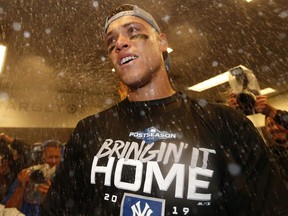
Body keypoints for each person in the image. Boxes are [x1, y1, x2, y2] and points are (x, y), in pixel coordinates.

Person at [41, 4, 288, 215]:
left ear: (162, 42)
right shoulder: (89, 130)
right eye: (111, 41)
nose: (119, 43)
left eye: (133, 32)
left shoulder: (226, 123)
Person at [2, 140, 62, 216]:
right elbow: (7, 211)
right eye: (50, 157)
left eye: (57, 157)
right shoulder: (28, 174)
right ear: (43, 157)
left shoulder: (65, 180)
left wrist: (52, 197)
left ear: (61, 157)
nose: (53, 161)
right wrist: (20, 187)